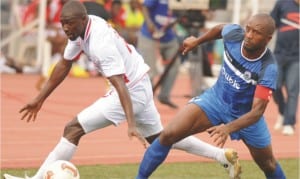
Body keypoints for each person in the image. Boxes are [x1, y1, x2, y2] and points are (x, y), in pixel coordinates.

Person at [4, 1, 241, 179]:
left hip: (130, 89)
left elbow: (118, 84)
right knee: (161, 138)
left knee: (73, 128)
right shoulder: (80, 29)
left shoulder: (100, 42)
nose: (65, 28)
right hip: (139, 83)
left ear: (83, 19)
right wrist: (39, 99)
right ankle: (221, 156)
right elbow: (65, 64)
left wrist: (130, 123)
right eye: (62, 23)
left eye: (69, 23)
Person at [136, 13, 286, 179]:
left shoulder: (268, 67)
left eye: (256, 32)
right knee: (168, 135)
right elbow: (220, 29)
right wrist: (197, 41)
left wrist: (228, 128)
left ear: (268, 38)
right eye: (248, 29)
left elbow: (257, 112)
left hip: (246, 116)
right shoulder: (235, 34)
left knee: (268, 164)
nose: (249, 35)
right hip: (216, 100)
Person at [137, 0, 180, 108]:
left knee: (174, 67)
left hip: (169, 38)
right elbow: (144, 7)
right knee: (148, 70)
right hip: (149, 35)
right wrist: (149, 23)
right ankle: (146, 101)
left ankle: (164, 96)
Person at [270, 0, 299, 136]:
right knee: (274, 86)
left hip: (297, 58)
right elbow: (271, 25)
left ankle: (289, 123)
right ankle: (283, 111)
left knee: (292, 90)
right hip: (279, 54)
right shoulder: (282, 3)